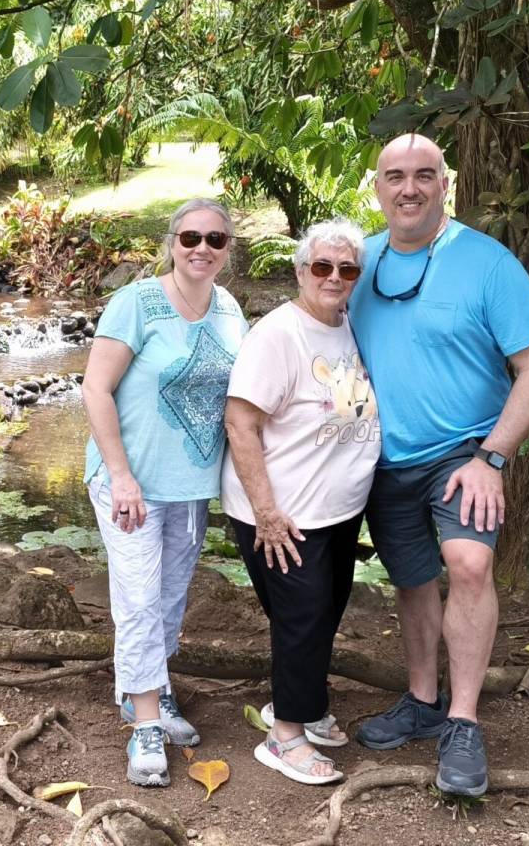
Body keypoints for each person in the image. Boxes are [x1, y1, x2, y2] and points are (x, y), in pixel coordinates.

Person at [347, 134, 529, 797]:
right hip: (383, 460)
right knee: (412, 580)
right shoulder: (359, 263)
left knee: (468, 565)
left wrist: (493, 457)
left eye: (424, 175)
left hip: (465, 454)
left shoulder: (488, 263)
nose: (409, 188)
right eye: (395, 176)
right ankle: (422, 700)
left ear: (446, 184)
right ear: (377, 188)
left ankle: (463, 723)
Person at [82, 197, 247, 787]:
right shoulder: (136, 302)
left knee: (170, 599)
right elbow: (95, 388)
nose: (202, 248)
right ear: (172, 242)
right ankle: (146, 724)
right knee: (138, 598)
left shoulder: (229, 309)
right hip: (130, 483)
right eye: (190, 237)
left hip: (191, 488)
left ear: (228, 250)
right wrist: (121, 475)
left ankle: (146, 688)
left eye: (215, 239)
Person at [223, 219, 379, 786]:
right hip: (283, 513)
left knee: (325, 611)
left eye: (346, 268)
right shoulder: (278, 335)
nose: (334, 277)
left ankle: (304, 705)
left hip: (337, 510)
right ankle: (284, 735)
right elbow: (240, 424)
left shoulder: (347, 326)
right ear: (300, 271)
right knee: (303, 616)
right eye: (322, 266)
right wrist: (267, 513)